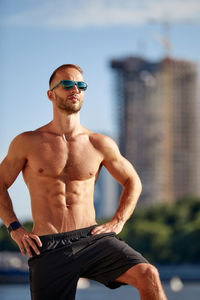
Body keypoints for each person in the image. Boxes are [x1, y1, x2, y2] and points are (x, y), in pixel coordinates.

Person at [0, 64, 167, 300]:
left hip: (93, 239)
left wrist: (118, 221)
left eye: (81, 85)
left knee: (148, 274)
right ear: (51, 94)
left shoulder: (99, 143)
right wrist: (14, 228)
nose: (75, 89)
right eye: (67, 85)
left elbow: (133, 181)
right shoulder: (28, 142)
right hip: (47, 246)